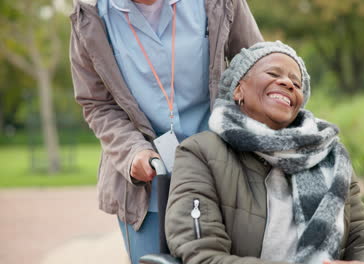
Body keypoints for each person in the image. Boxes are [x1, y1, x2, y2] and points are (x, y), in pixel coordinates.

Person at [165, 41, 364, 264]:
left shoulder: (330, 158)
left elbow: (363, 235)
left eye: (296, 84)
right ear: (238, 89)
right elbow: (203, 254)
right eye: (273, 74)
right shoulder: (201, 153)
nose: (288, 83)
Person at [69, 0, 262, 262]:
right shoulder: (90, 14)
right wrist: (132, 152)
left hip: (225, 174)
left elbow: (258, 66)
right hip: (149, 188)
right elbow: (97, 104)